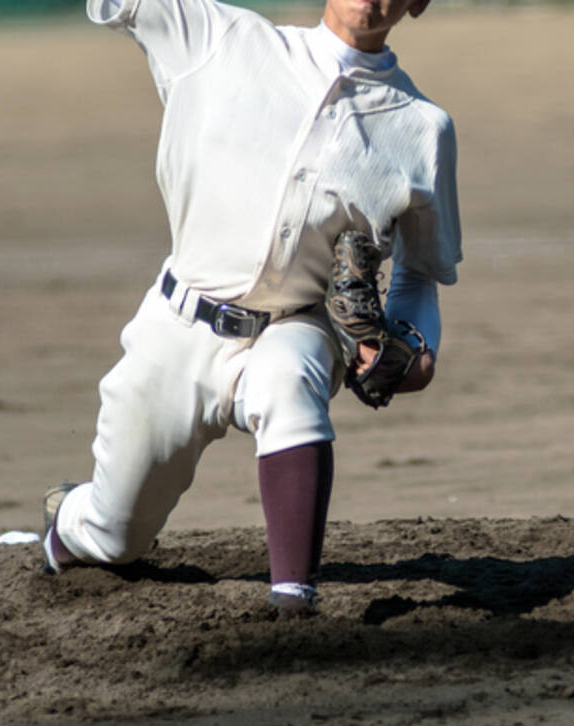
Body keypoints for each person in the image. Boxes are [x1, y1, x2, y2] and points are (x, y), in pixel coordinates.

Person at [40, 0, 462, 617]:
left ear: (417, 4)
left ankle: (294, 603)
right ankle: (69, 518)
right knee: (115, 536)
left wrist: (415, 352)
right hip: (179, 327)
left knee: (289, 377)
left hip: (298, 325)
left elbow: (419, 278)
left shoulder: (421, 128)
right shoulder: (220, 38)